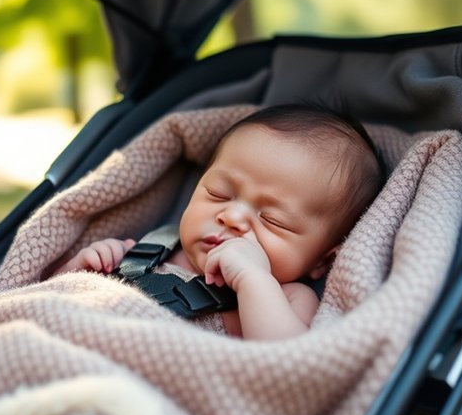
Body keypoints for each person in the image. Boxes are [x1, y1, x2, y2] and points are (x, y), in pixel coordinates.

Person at [52, 104, 384, 340]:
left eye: (273, 220)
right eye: (219, 194)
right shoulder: (152, 249)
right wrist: (81, 268)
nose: (233, 218)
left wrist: (253, 280)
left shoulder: (290, 298)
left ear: (322, 261)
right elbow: (50, 303)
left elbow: (289, 365)